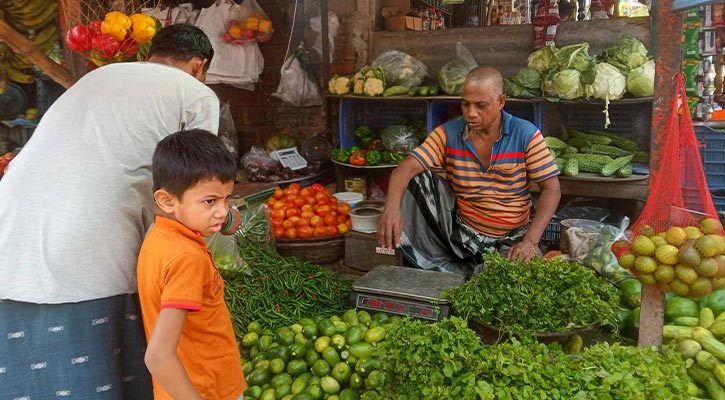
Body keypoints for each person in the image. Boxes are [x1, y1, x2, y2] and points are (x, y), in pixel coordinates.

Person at [0, 24, 220, 399]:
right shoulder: (195, 93)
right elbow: (199, 183)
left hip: (12, 217)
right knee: (100, 365)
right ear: (199, 66)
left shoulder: (100, 76)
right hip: (90, 230)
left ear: (153, 53)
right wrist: (223, 221)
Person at [377, 66, 561, 276]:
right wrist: (391, 211)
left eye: (481, 106)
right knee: (417, 179)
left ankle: (460, 272)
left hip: (510, 237)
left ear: (501, 102)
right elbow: (404, 168)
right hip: (461, 233)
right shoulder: (449, 133)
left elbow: (552, 189)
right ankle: (448, 265)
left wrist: (530, 241)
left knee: (521, 275)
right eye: (465, 104)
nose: (471, 113)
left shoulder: (526, 134)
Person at [138, 130, 244, 400]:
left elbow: (224, 216)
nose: (221, 210)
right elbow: (158, 356)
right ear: (167, 200)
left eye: (227, 198)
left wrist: (225, 217)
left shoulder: (160, 236)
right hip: (208, 391)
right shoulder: (187, 259)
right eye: (210, 201)